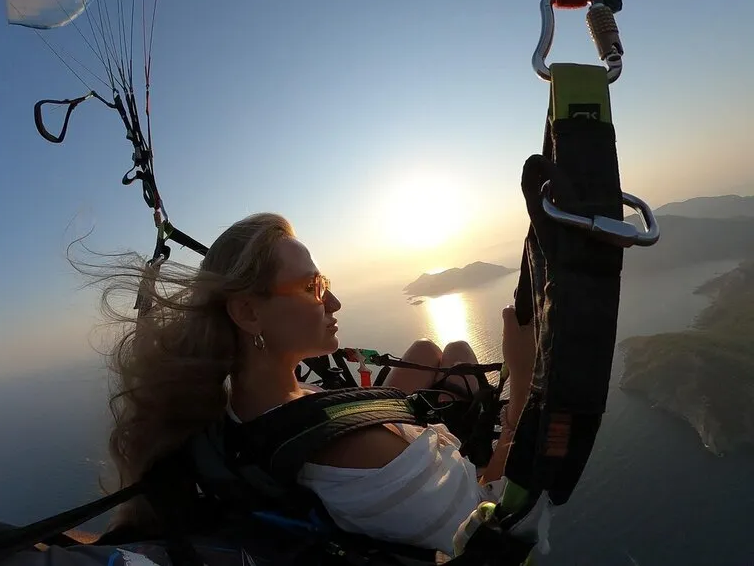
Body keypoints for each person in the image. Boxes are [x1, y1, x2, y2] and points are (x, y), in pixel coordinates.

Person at [98, 212, 535, 558]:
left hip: (332, 435)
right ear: (249, 314)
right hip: (447, 481)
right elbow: (491, 518)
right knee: (460, 354)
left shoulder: (238, 407)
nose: (333, 301)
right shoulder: (356, 451)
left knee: (426, 348)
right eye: (312, 286)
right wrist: (525, 380)